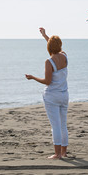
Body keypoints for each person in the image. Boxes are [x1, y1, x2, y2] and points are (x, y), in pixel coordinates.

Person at [25, 27, 69, 159]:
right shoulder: (64, 56)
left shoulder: (49, 61)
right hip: (64, 95)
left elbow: (47, 81)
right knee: (63, 124)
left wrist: (32, 77)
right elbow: (55, 47)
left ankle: (57, 154)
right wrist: (45, 36)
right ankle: (64, 152)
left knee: (55, 125)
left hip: (52, 96)